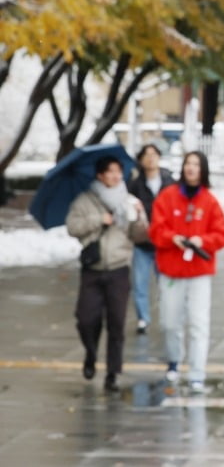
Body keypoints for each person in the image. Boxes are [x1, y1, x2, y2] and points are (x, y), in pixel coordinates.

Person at [150, 151, 224, 393]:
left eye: (196, 164)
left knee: (198, 323)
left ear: (203, 170)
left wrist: (202, 241)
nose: (191, 169)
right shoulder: (167, 197)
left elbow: (222, 234)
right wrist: (171, 238)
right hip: (172, 271)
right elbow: (155, 229)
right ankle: (174, 359)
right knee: (170, 323)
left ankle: (197, 371)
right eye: (188, 164)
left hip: (199, 272)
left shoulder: (209, 201)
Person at [66, 155, 149, 392]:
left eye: (118, 172)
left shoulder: (128, 201)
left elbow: (140, 236)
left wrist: (140, 217)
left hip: (119, 270)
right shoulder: (85, 200)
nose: (115, 176)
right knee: (85, 320)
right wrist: (98, 219)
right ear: (100, 175)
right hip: (92, 270)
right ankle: (90, 354)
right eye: (110, 172)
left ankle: (113, 372)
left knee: (116, 323)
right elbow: (72, 227)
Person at [126, 144, 174, 335]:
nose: (151, 158)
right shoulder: (135, 185)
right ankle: (143, 319)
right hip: (143, 242)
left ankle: (167, 316)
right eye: (146, 155)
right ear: (141, 160)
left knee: (166, 284)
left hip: (164, 243)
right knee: (139, 283)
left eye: (154, 154)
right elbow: (126, 206)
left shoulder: (169, 182)